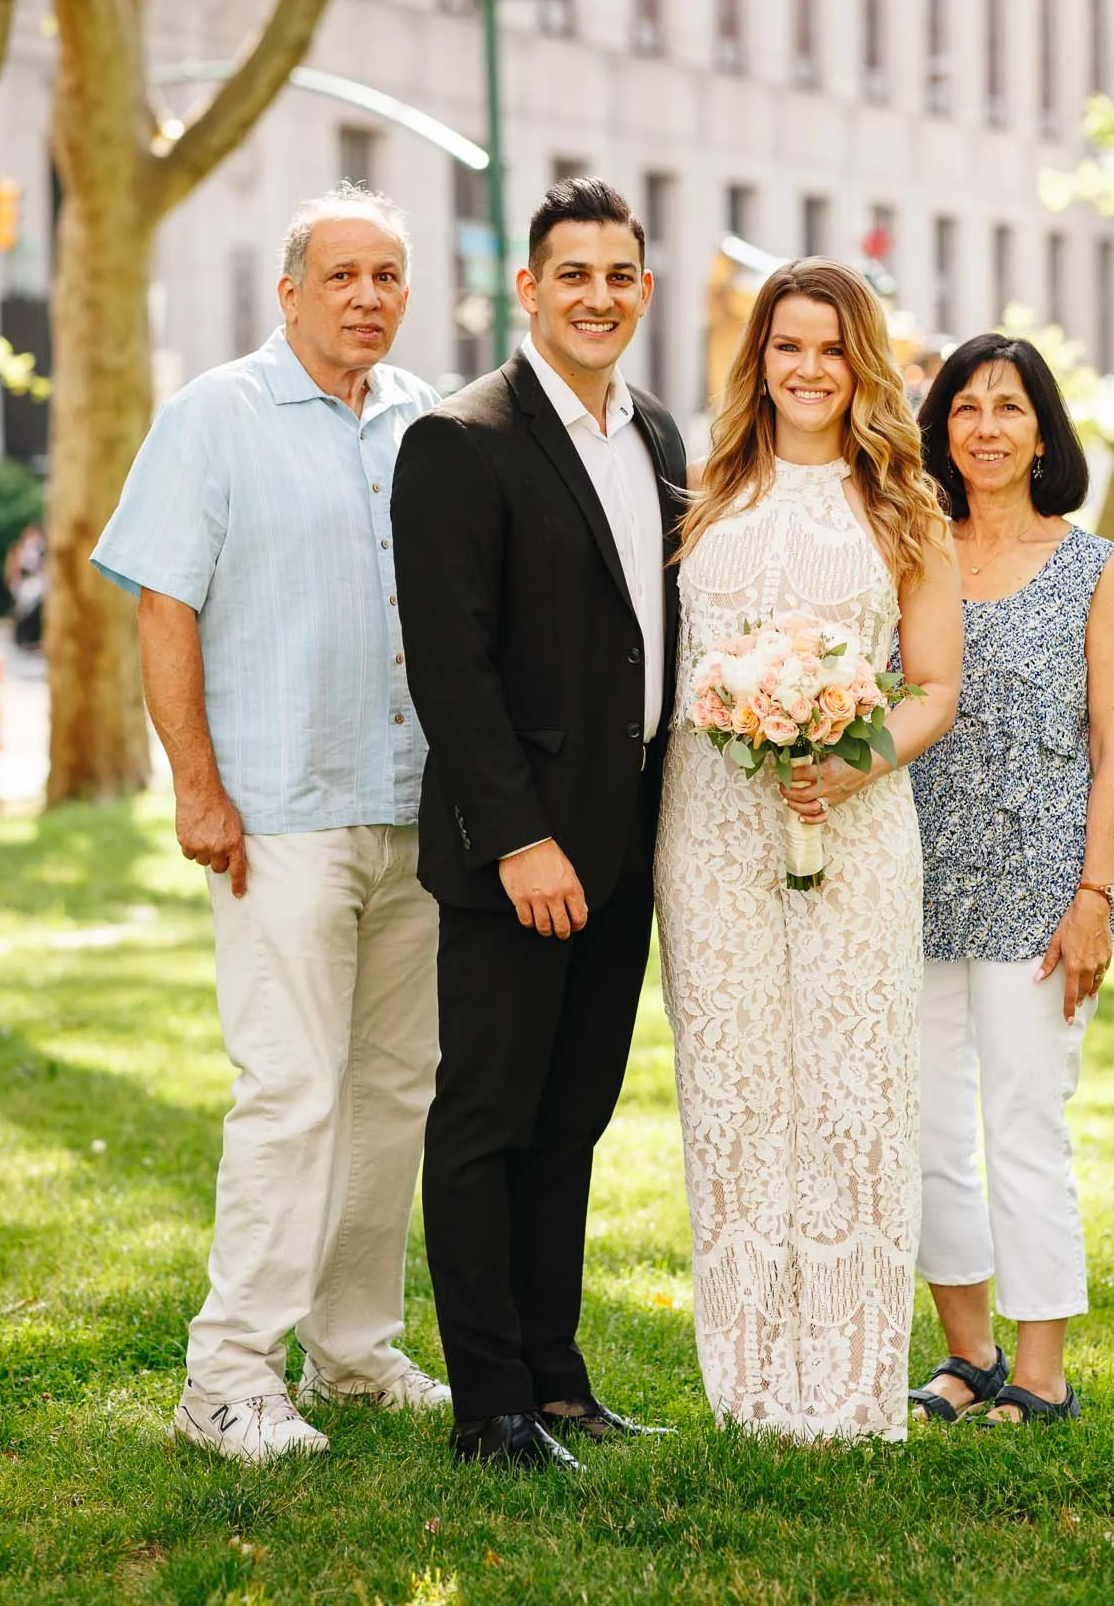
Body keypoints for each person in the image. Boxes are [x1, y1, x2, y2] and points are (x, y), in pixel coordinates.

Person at [92, 184, 449, 1462]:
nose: (367, 295)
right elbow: (163, 604)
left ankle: (351, 1349)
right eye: (342, 274)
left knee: (392, 1091)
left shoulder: (426, 418)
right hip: (278, 813)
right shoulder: (214, 415)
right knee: (290, 1091)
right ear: (288, 290)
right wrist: (195, 784)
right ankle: (227, 1374)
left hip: (415, 809)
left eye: (387, 274)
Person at [392, 177, 687, 1471]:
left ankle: (557, 1381)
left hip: (627, 843)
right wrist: (517, 837)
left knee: (572, 1121)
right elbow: (448, 667)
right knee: (487, 1121)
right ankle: (489, 1404)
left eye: (619, 275)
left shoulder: (658, 433)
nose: (597, 297)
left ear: (644, 289)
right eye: (573, 273)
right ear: (528, 288)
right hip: (519, 854)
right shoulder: (459, 440)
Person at [655, 260, 962, 1442]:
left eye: (831, 347)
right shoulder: (703, 490)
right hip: (711, 824)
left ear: (860, 361)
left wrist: (850, 760)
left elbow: (932, 685)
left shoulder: (905, 505)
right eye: (787, 344)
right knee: (732, 1090)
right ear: (759, 357)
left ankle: (846, 1381)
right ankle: (747, 1379)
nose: (808, 367)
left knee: (849, 1090)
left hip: (858, 821)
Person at [906, 332, 1114, 1427]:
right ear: (941, 428)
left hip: (1040, 892)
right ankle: (968, 1354)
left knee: (1023, 1122)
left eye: (1007, 407)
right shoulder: (909, 549)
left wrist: (1093, 898)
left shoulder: (1095, 567)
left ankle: (1042, 1369)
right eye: (965, 407)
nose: (985, 427)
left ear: (1041, 431)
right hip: (911, 883)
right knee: (921, 1127)